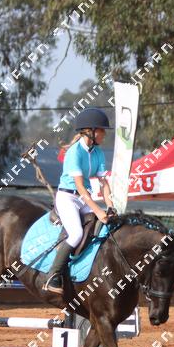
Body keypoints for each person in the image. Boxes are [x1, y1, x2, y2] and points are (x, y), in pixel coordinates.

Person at [44, 107, 115, 293]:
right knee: (76, 234)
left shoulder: (98, 153)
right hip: (67, 197)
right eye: (102, 130)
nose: (104, 134)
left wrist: (110, 206)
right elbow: (81, 187)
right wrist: (98, 210)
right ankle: (53, 275)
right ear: (90, 131)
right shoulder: (74, 152)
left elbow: (104, 183)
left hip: (83, 199)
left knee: (103, 227)